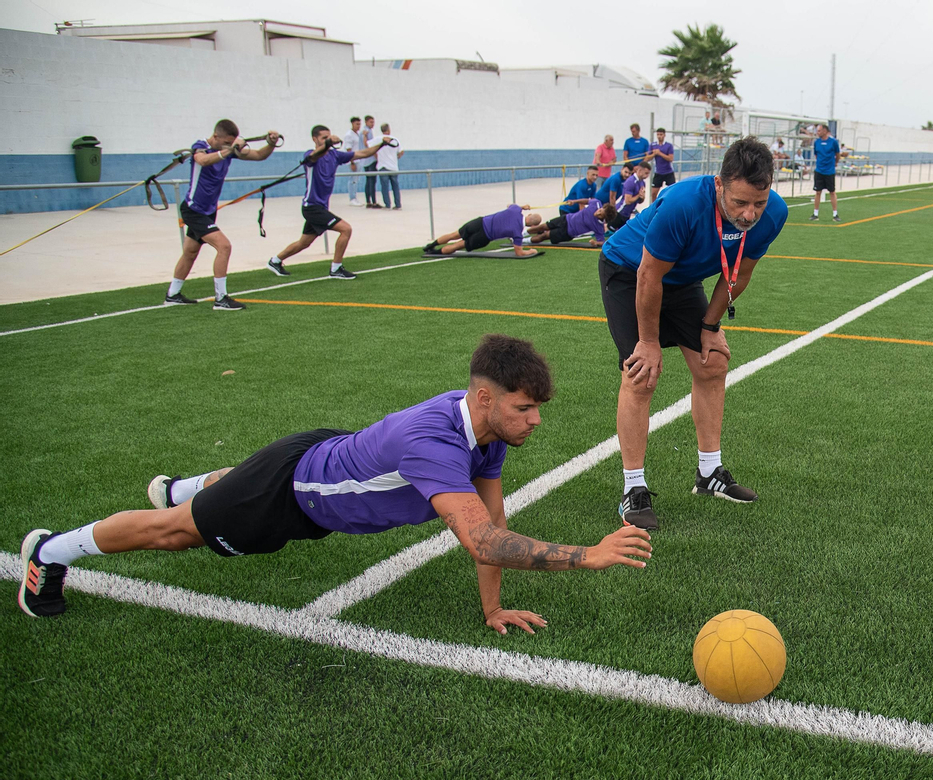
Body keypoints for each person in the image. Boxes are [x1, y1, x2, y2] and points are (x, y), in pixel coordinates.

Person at [17, 334, 654, 633]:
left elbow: (491, 529)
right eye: (524, 409)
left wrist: (491, 609)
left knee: (218, 494)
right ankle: (50, 552)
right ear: (485, 399)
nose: (536, 422)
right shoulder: (432, 443)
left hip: (313, 457)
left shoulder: (484, 436)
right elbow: (485, 543)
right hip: (290, 495)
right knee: (172, 536)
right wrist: (588, 556)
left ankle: (191, 485)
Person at [597, 137, 788, 531]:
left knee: (713, 363)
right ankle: (633, 488)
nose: (750, 214)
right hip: (629, 271)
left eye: (759, 202)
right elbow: (649, 276)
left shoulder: (775, 213)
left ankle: (709, 474)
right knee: (641, 374)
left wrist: (710, 328)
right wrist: (648, 343)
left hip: (682, 281)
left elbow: (739, 272)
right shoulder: (683, 203)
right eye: (740, 203)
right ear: (719, 185)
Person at [164, 119, 280, 313]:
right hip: (193, 209)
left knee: (191, 252)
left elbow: (259, 155)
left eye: (230, 143)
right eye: (225, 142)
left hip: (208, 211)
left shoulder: (228, 150)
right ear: (215, 137)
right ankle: (221, 298)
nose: (228, 146)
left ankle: (172, 295)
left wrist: (271, 143)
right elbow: (203, 160)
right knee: (224, 246)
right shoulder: (200, 146)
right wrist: (230, 149)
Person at [266, 125, 387, 281]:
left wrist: (382, 144)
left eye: (328, 137)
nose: (327, 140)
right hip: (312, 207)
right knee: (346, 229)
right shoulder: (310, 155)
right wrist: (328, 143)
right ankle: (336, 268)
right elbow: (315, 156)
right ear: (314, 139)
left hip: (320, 207)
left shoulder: (334, 155)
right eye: (323, 138)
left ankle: (275, 261)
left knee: (304, 243)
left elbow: (362, 153)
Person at [426, 204, 544, 257]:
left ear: (530, 214)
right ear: (532, 226)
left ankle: (431, 246)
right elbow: (519, 253)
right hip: (484, 236)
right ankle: (433, 253)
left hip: (479, 223)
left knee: (454, 235)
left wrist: (522, 206)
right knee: (458, 245)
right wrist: (531, 251)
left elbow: (509, 205)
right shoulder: (517, 233)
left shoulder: (515, 210)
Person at [527, 199, 616, 248]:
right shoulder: (596, 203)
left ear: (604, 218)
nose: (598, 213)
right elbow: (586, 201)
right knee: (543, 226)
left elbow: (602, 241)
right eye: (600, 211)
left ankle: (524, 241)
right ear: (602, 207)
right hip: (565, 219)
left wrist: (595, 243)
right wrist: (574, 201)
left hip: (567, 233)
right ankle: (524, 234)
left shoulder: (599, 227)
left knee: (545, 236)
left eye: (601, 215)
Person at [809, 123, 846, 222]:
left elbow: (837, 154)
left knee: (832, 192)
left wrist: (835, 163)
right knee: (818, 192)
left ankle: (835, 214)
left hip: (829, 171)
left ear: (825, 131)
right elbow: (817, 155)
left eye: (819, 130)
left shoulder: (833, 142)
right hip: (819, 171)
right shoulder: (816, 142)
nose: (817, 132)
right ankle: (815, 214)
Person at [375, 122, 403, 210]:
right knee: (395, 186)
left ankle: (387, 204)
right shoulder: (395, 139)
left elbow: (371, 148)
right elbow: (401, 151)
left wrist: (378, 158)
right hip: (394, 166)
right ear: (389, 129)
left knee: (384, 186)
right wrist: (395, 157)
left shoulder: (377, 139)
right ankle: (398, 205)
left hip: (382, 166)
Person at [647, 127, 676, 203]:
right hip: (658, 172)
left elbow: (670, 158)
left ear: (664, 135)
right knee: (653, 193)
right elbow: (647, 158)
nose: (659, 136)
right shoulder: (653, 145)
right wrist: (654, 154)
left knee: (673, 191)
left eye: (661, 134)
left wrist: (660, 153)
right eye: (658, 134)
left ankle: (672, 204)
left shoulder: (668, 145)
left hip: (668, 172)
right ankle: (653, 207)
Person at [343, 116, 366, 208]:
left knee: (356, 180)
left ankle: (355, 198)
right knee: (352, 180)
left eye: (360, 124)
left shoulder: (357, 134)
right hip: (353, 160)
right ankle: (352, 199)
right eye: (357, 124)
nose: (358, 126)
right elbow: (349, 149)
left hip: (358, 159)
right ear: (352, 124)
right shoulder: (349, 135)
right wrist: (351, 162)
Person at [362, 115, 381, 208]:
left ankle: (368, 201)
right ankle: (373, 202)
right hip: (370, 159)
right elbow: (369, 145)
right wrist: (376, 156)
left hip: (365, 160)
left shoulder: (363, 131)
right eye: (371, 122)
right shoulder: (367, 132)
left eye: (373, 122)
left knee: (368, 180)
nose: (372, 124)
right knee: (372, 181)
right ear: (366, 122)